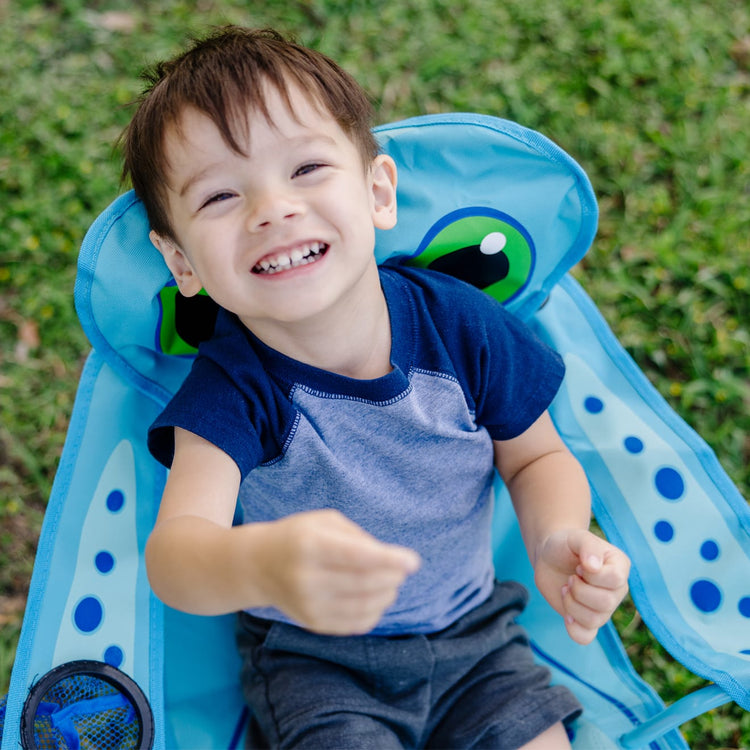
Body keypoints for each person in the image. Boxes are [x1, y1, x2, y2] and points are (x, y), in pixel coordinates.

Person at [122, 26, 631, 749]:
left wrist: (559, 538)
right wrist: (261, 563)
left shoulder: (461, 328)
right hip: (316, 663)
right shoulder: (233, 390)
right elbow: (177, 556)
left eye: (304, 169)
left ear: (378, 192)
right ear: (182, 263)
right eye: (221, 196)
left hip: (477, 639)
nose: (272, 209)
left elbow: (537, 458)